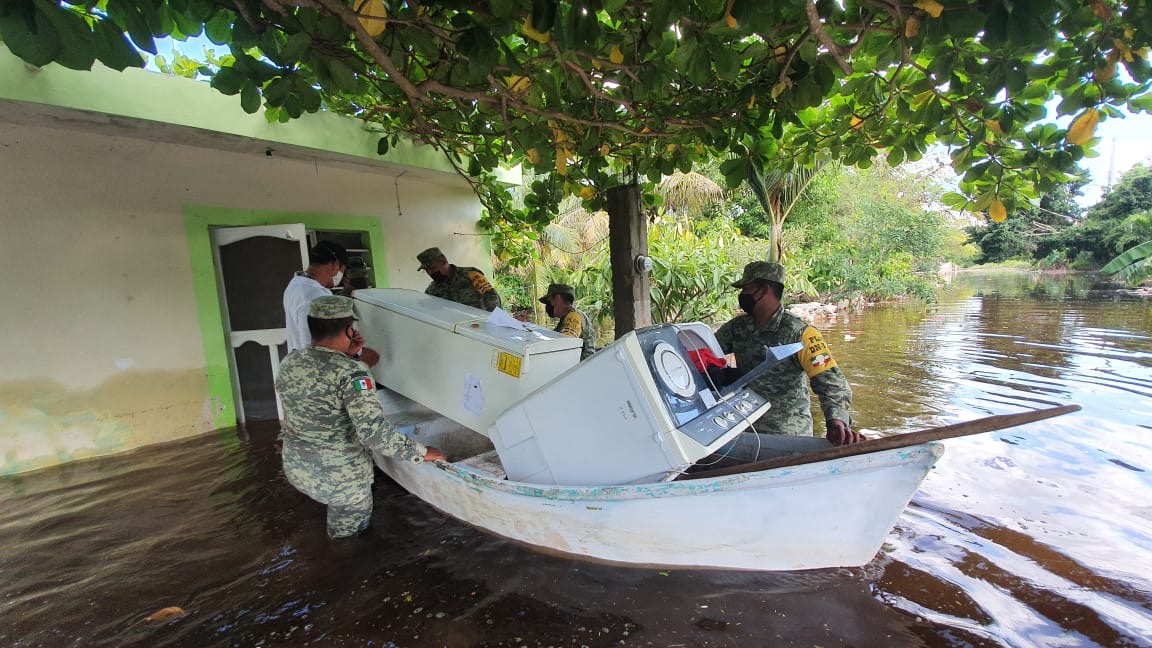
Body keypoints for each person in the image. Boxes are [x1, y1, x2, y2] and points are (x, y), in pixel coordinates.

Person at [275, 295, 446, 538]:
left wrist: (350, 354)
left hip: (297, 468)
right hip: (341, 481)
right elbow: (374, 433)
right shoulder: (353, 374)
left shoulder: (292, 360)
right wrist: (422, 453)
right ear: (349, 329)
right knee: (349, 542)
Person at [714, 261, 861, 446]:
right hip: (745, 432)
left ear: (765, 289)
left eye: (747, 289)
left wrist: (836, 421)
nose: (742, 295)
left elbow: (831, 382)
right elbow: (705, 354)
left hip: (789, 435)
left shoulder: (801, 334)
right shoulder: (737, 328)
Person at [283, 241, 379, 366]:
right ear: (335, 264)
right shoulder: (316, 297)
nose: (341, 277)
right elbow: (320, 344)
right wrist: (359, 353)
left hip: (303, 364)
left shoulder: (296, 284)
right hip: (319, 369)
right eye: (342, 270)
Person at [416, 246, 502, 311]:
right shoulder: (432, 290)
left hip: (479, 328)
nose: (430, 272)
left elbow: (493, 300)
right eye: (427, 270)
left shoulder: (472, 275)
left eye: (432, 268)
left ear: (444, 261)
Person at [539, 283, 596, 360]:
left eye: (550, 301)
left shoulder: (574, 317)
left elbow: (565, 346)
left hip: (581, 368)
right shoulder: (566, 318)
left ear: (558, 298)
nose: (549, 305)